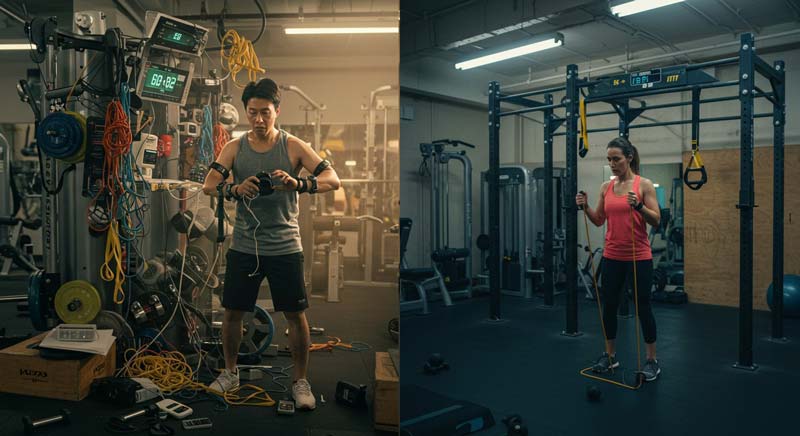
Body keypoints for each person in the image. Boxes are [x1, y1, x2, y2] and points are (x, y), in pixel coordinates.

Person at [202, 78, 341, 408]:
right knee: (233, 312)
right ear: (246, 113)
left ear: (277, 111)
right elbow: (209, 185)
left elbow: (332, 179)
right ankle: (231, 372)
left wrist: (298, 183)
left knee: (295, 315)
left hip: (284, 245)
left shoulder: (292, 145)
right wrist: (234, 190)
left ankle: (300, 381)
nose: (259, 119)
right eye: (252, 113)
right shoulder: (234, 147)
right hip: (245, 245)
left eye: (265, 112)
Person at [575, 137, 661, 382]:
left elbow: (656, 220)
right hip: (612, 256)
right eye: (609, 160)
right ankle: (610, 355)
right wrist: (585, 207)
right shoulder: (606, 187)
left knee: (643, 308)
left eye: (617, 159)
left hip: (639, 257)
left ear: (629, 157)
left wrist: (639, 208)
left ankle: (652, 361)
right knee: (609, 307)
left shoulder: (643, 185)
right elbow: (599, 220)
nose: (612, 164)